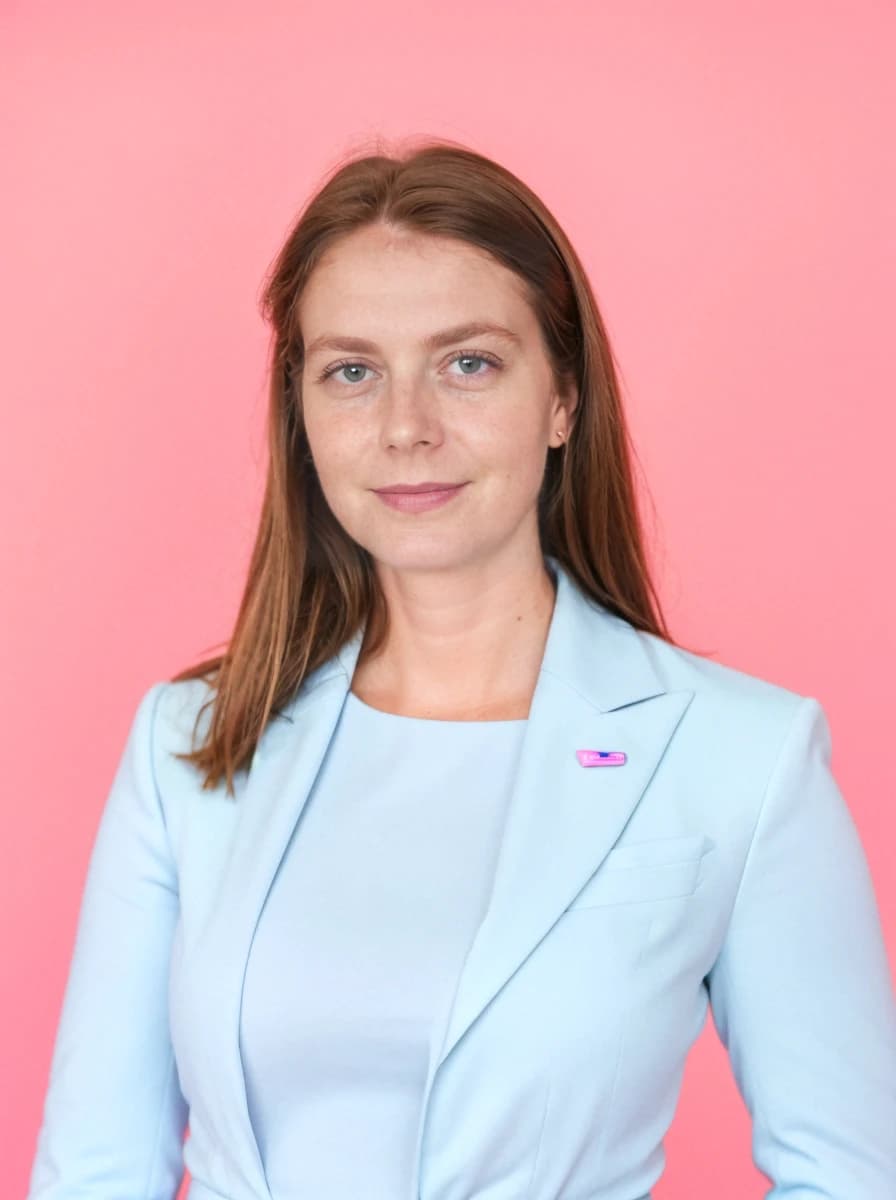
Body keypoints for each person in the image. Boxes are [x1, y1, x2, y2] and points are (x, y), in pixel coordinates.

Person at [27, 139, 896, 1200]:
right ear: (301, 417)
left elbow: (852, 1177)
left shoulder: (741, 758)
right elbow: (96, 1173)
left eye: (467, 364)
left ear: (563, 400)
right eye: (351, 372)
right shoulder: (186, 746)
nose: (405, 428)